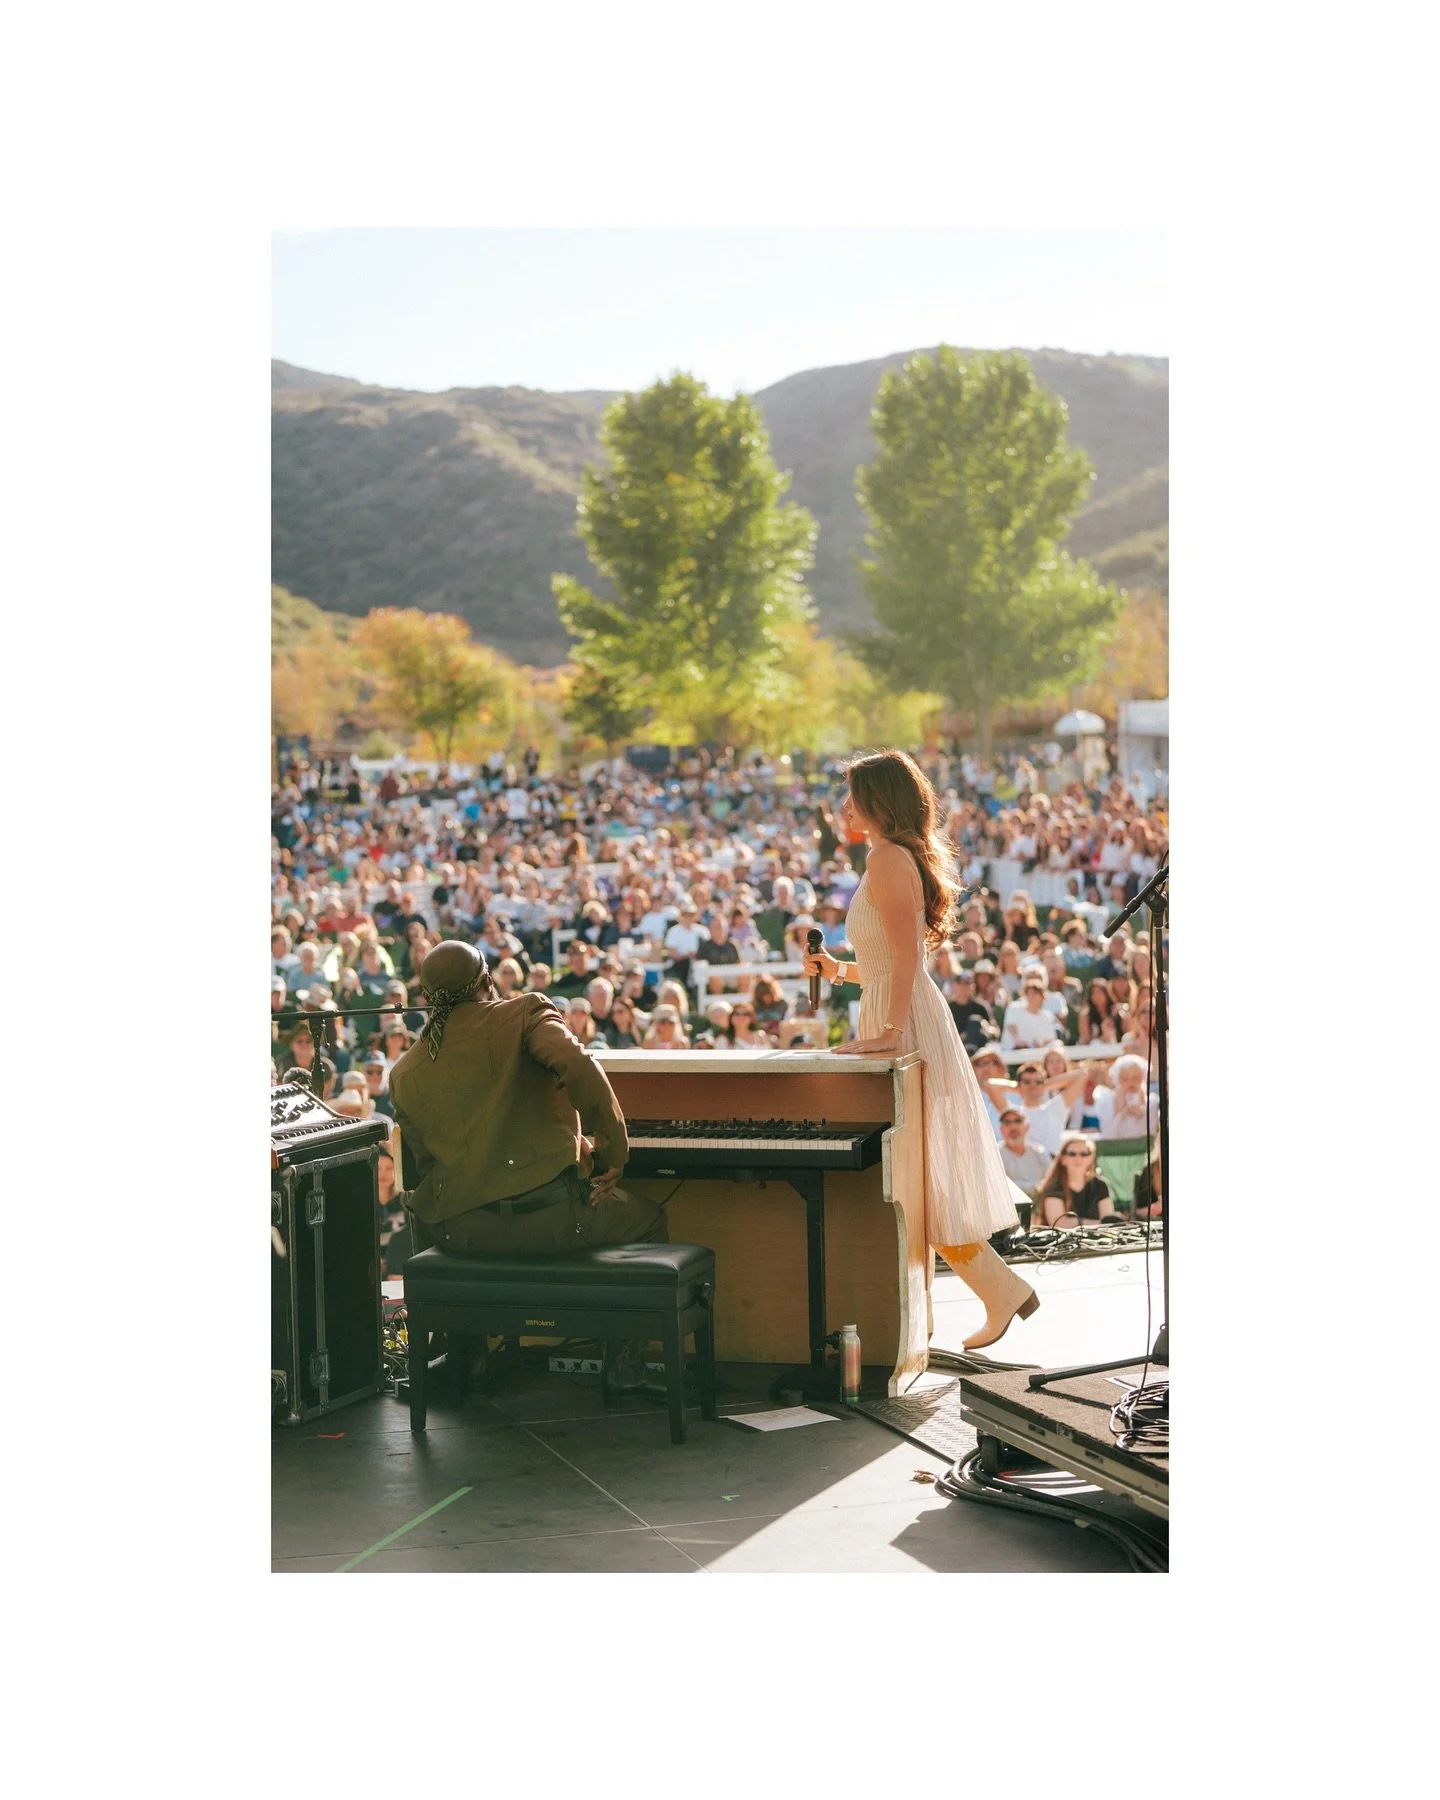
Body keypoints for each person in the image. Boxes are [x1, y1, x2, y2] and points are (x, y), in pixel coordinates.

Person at [803, 749, 1038, 1350]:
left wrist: (889, 1031)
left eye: (853, 795)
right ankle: (990, 1293)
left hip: (901, 1019)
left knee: (914, 1174)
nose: (845, 807)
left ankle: (991, 1293)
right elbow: (886, 964)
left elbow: (909, 958)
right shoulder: (887, 858)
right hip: (895, 1006)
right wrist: (836, 971)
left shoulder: (885, 859)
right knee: (913, 1173)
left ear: (879, 801)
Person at [389, 939, 665, 1389]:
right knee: (650, 1219)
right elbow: (580, 1064)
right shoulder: (522, 1013)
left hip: (464, 1234)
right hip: (551, 1223)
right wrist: (612, 1151)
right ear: (486, 980)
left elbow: (426, 1166)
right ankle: (623, 1369)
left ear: (426, 998)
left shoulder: (404, 1071)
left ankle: (462, 1355)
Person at [1034, 1134, 1115, 1227]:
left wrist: (1077, 1222)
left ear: (1091, 1158)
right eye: (1072, 1154)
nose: (1078, 1158)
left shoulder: (1100, 1185)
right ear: (1063, 1159)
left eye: (1084, 1154)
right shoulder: (1053, 1187)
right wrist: (1098, 1224)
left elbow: (1108, 1220)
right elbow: (1058, 1223)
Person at [999, 973, 1063, 1053]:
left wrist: (1041, 1045)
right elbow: (1011, 1027)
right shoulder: (1014, 1008)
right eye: (1028, 993)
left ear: (1042, 996)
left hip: (1037, 1055)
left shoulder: (1047, 1016)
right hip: (1013, 1053)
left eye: (1035, 993)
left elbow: (1050, 1040)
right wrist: (1018, 1041)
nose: (1031, 997)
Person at [996, 1107, 1052, 1196]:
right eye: (1007, 1122)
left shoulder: (1040, 1152)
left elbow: (1051, 1181)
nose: (1013, 1127)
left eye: (1018, 1121)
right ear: (1001, 1129)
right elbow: (998, 1186)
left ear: (1027, 1127)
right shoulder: (995, 1154)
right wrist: (1035, 1187)